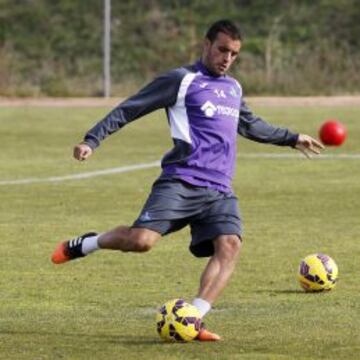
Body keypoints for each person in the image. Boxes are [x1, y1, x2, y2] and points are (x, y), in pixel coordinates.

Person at [51, 19, 324, 341]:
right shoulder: (182, 80)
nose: (227, 58)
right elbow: (130, 108)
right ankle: (87, 243)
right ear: (206, 45)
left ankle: (195, 317)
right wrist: (91, 140)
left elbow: (251, 125)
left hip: (220, 189)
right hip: (181, 181)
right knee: (141, 242)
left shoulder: (233, 89)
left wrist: (292, 138)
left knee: (230, 245)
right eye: (222, 50)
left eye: (234, 54)